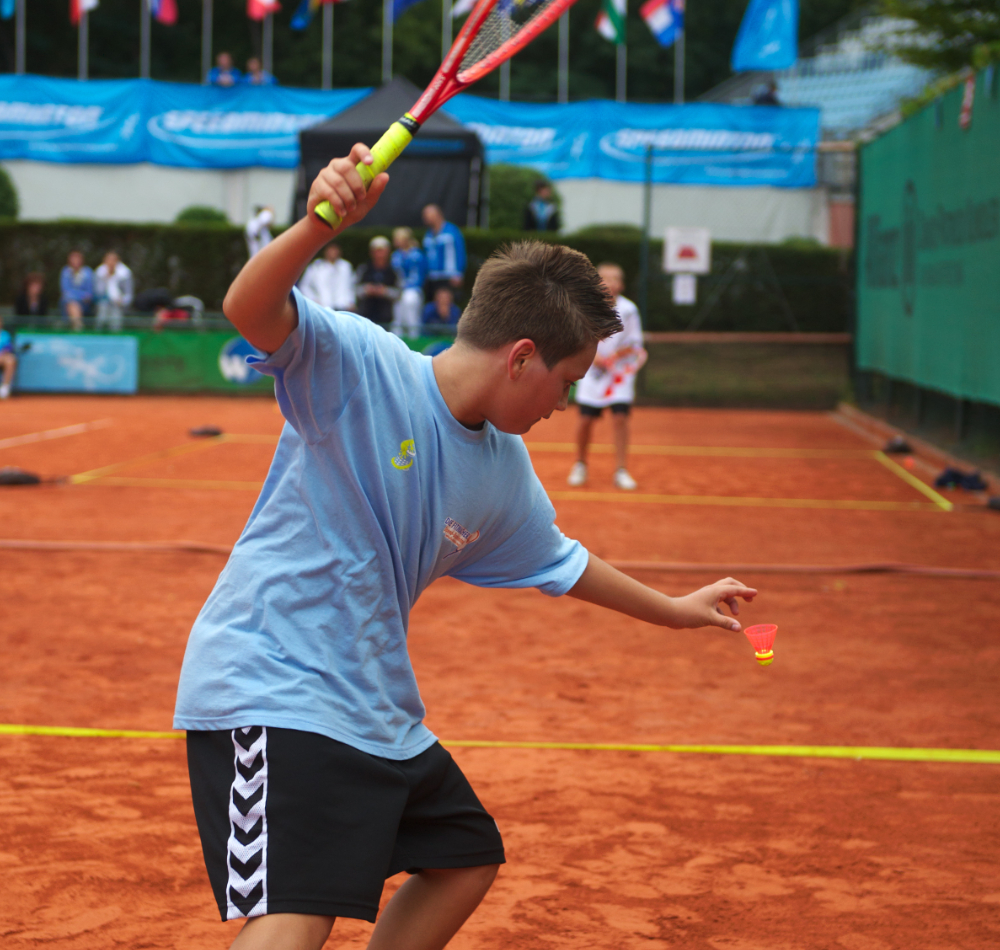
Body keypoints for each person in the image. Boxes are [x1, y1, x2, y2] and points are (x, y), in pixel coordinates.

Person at [173, 141, 756, 950]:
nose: (566, 400)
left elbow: (565, 562)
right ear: (523, 358)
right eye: (569, 378)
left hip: (370, 704)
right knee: (298, 913)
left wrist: (677, 611)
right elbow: (248, 308)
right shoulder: (361, 363)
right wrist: (316, 226)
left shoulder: (502, 470)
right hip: (270, 682)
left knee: (462, 855)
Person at [568, 262, 647, 492]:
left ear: (621, 284)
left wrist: (615, 357)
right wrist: (595, 359)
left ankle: (621, 470)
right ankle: (580, 464)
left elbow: (635, 344)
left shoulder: (630, 310)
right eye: (605, 278)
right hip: (591, 373)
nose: (610, 282)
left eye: (615, 278)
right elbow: (577, 340)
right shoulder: (585, 307)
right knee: (585, 420)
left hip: (618, 375)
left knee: (620, 418)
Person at [421, 203, 466, 301]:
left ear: (437, 215)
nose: (424, 218)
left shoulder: (452, 231)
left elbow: (460, 252)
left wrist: (459, 273)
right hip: (432, 276)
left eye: (427, 215)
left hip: (448, 276)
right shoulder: (428, 234)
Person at [354, 235, 399, 325]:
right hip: (366, 314)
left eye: (382, 251)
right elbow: (355, 289)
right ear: (371, 252)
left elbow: (399, 292)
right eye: (377, 251)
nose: (379, 254)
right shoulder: (364, 269)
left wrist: (385, 291)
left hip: (386, 315)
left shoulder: (394, 270)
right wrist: (366, 289)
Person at [391, 226, 427, 337]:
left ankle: (414, 336)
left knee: (409, 302)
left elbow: (419, 276)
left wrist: (405, 286)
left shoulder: (417, 255)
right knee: (397, 314)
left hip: (413, 289)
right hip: (399, 289)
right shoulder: (396, 255)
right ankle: (397, 339)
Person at [298, 242, 355, 311]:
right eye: (331, 249)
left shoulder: (346, 266)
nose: (333, 252)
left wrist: (351, 301)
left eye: (335, 249)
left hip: (343, 307)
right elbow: (304, 286)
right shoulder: (316, 266)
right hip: (323, 307)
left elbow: (352, 286)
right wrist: (313, 300)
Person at [94, 250, 134, 331]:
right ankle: (99, 334)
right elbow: (97, 292)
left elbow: (129, 295)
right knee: (103, 312)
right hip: (103, 302)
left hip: (119, 304)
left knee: (115, 314)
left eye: (113, 260)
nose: (111, 263)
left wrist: (122, 301)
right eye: (108, 260)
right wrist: (106, 278)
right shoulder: (99, 272)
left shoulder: (125, 273)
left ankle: (115, 335)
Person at [59, 249, 95, 330]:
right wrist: (80, 295)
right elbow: (65, 292)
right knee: (72, 303)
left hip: (85, 304)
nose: (75, 261)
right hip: (67, 303)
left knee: (73, 303)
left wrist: (75, 295)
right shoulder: (65, 272)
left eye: (77, 258)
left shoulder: (88, 272)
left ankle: (76, 327)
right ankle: (78, 326)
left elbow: (89, 293)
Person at [0, 314, 15, 398]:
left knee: (10, 360)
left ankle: (4, 388)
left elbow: (8, 348)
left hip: (2, 357)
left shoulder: (6, 335)